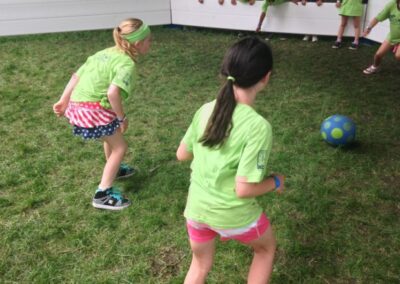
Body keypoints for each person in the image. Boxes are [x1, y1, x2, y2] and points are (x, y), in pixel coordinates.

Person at [176, 36, 285, 283]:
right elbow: (244, 189)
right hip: (234, 215)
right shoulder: (258, 127)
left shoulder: (206, 109)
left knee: (199, 265)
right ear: (266, 77)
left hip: (197, 210)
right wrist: (276, 181)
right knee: (265, 250)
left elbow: (182, 154)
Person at [53, 18, 152, 210]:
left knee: (112, 138)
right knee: (120, 147)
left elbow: (76, 76)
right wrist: (122, 117)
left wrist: (64, 100)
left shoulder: (103, 53)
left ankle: (114, 170)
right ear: (138, 44)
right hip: (94, 110)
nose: (151, 44)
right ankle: (103, 193)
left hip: (78, 106)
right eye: (149, 40)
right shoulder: (126, 64)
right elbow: (112, 93)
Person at [362, 0, 400, 74]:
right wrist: (369, 28)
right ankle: (375, 67)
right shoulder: (392, 4)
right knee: (378, 55)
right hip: (392, 36)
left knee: (398, 55)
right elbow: (377, 18)